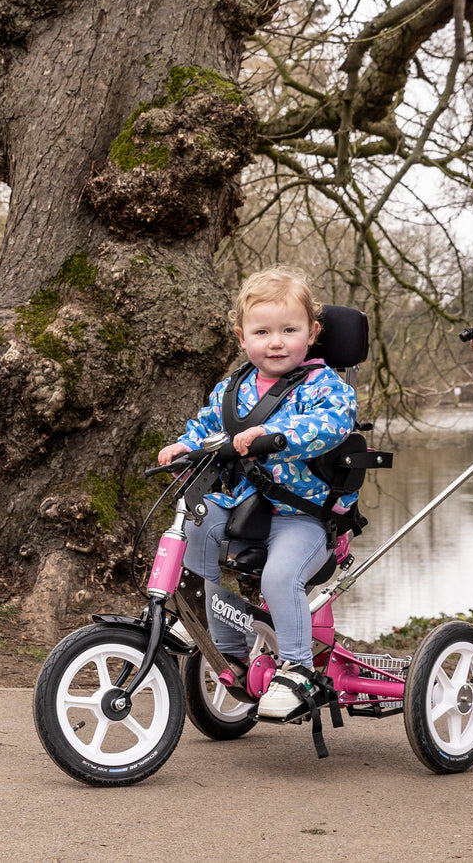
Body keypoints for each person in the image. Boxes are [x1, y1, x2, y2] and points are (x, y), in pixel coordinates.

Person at [157, 266, 356, 718]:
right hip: (242, 503)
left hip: (303, 515)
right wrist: (185, 446)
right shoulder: (232, 388)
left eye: (290, 330)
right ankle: (216, 636)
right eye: (262, 331)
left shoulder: (325, 387)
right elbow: (206, 428)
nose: (276, 341)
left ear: (312, 332)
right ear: (242, 336)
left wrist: (276, 433)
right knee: (197, 521)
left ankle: (298, 668)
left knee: (278, 578)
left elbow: (329, 426)